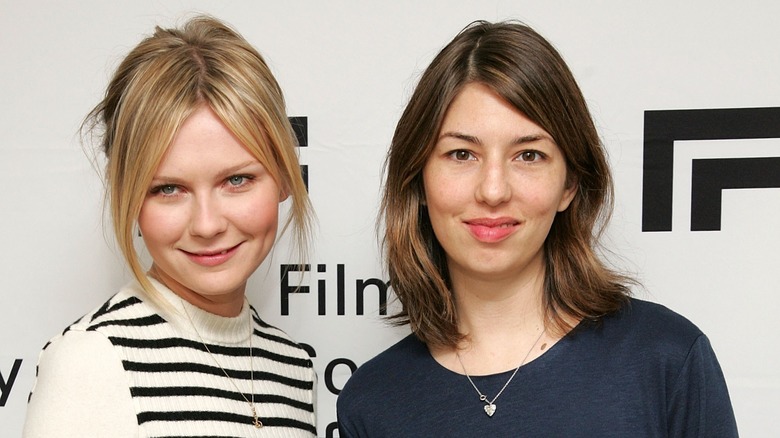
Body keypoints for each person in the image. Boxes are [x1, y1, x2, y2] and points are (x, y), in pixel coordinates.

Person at [337, 20, 738, 437]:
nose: (493, 190)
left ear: (570, 184)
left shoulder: (666, 359)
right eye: (461, 153)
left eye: (528, 155)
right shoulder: (372, 401)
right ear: (419, 179)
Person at [23, 16, 317, 437]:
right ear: (129, 197)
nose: (207, 224)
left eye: (237, 180)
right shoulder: (91, 363)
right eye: (168, 189)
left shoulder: (291, 367)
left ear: (286, 177)